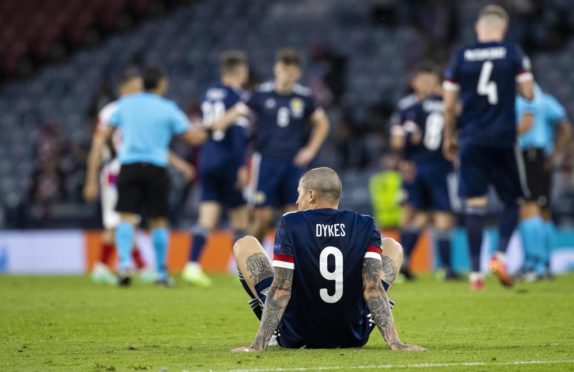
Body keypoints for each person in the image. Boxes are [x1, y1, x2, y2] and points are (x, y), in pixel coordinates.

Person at [231, 167, 425, 351]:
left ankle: (273, 333)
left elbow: (282, 289)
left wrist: (257, 345)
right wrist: (395, 342)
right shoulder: (365, 224)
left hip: (296, 334)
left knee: (245, 244)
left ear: (311, 195)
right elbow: (372, 288)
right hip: (352, 334)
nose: (297, 201)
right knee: (393, 246)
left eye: (299, 193)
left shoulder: (291, 222)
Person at [443, 5, 534, 290]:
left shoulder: (461, 56)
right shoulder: (513, 52)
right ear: (503, 29)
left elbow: (448, 105)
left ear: (478, 29)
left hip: (471, 138)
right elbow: (528, 92)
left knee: (475, 204)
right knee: (513, 201)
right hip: (504, 138)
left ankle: (474, 275)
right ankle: (500, 254)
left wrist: (449, 137)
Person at [94, 67, 207, 286]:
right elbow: (191, 138)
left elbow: (105, 133)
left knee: (125, 217)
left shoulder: (125, 104)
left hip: (128, 166)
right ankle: (161, 273)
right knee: (158, 221)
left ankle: (124, 265)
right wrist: (209, 132)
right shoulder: (167, 108)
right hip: (155, 167)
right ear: (161, 84)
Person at [211, 48, 330, 243]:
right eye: (284, 69)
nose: (288, 75)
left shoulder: (304, 97)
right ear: (276, 69)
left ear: (298, 73)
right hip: (265, 162)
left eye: (292, 71)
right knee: (262, 218)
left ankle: (290, 265)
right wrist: (214, 126)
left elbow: (323, 123)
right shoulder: (261, 94)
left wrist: (310, 150)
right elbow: (237, 112)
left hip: (292, 164)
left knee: (294, 216)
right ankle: (250, 259)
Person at [182, 51, 251, 287]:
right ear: (240, 71)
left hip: (207, 159)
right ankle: (240, 269)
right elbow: (239, 134)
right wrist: (242, 166)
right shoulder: (239, 97)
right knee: (240, 219)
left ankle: (192, 265)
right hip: (229, 160)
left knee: (206, 219)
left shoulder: (208, 94)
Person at [393, 63, 460, 281]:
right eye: (423, 81)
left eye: (429, 81)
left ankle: (404, 266)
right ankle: (446, 268)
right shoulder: (444, 102)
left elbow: (397, 140)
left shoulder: (406, 106)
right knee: (439, 215)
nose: (426, 85)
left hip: (419, 166)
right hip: (434, 167)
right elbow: (460, 114)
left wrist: (404, 156)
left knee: (419, 216)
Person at [516, 84, 572, 280]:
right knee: (544, 211)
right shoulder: (546, 100)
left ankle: (534, 265)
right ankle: (545, 264)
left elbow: (565, 130)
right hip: (542, 157)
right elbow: (565, 128)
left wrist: (556, 155)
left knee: (528, 207)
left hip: (527, 155)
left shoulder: (520, 101)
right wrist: (555, 155)